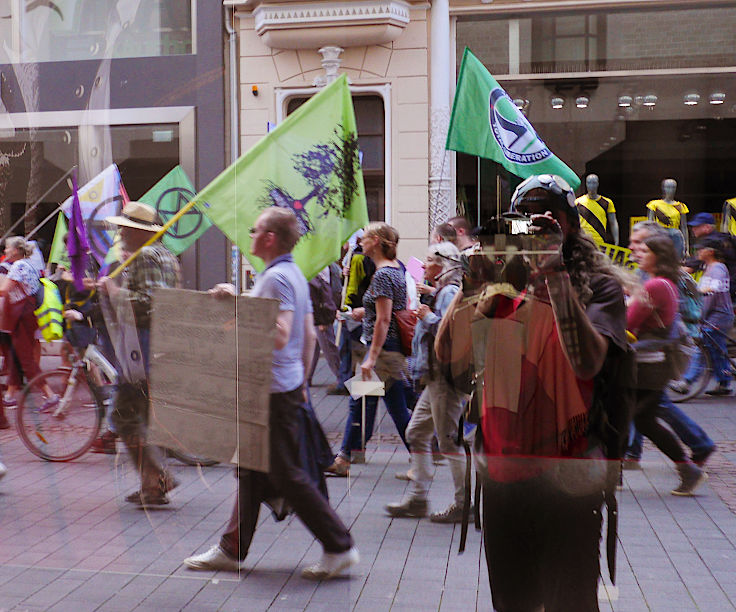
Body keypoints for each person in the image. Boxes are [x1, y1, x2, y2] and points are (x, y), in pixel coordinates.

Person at [438, 174, 631, 611]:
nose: (534, 231)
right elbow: (450, 363)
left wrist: (554, 274)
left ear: (570, 228)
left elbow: (587, 362)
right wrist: (472, 281)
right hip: (505, 477)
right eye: (524, 223)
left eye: (548, 222)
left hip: (570, 478)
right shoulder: (501, 284)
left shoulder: (596, 285)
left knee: (571, 602)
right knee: (511, 602)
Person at [184, 207, 358, 579]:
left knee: (289, 475)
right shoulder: (291, 274)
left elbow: (280, 334)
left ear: (270, 238)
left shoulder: (276, 279)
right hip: (282, 388)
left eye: (255, 229)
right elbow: (307, 335)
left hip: (272, 393)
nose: (249, 234)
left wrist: (235, 302)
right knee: (249, 471)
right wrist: (303, 385)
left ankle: (339, 546)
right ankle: (231, 549)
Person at [96, 202, 181, 506]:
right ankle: (153, 483)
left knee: (125, 417)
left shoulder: (145, 256)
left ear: (137, 231)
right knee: (137, 418)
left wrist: (114, 292)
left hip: (142, 349)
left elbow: (150, 302)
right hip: (156, 348)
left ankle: (158, 480)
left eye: (124, 227)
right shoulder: (166, 256)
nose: (119, 232)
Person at [385, 241, 467, 522]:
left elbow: (450, 330)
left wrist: (428, 317)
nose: (425, 264)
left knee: (448, 441)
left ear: (442, 264)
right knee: (417, 433)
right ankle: (418, 499)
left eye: (430, 259)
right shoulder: (444, 291)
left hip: (444, 377)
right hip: (436, 378)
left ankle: (463, 504)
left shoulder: (449, 292)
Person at [624, 222, 716, 468]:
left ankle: (698, 447)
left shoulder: (661, 277)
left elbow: (671, 317)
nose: (634, 246)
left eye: (640, 242)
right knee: (642, 408)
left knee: (650, 408)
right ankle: (633, 452)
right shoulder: (644, 272)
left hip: (658, 354)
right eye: (633, 242)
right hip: (651, 354)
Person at [327, 222, 412, 477]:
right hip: (383, 348)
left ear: (376, 241)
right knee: (363, 403)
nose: (359, 242)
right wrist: (367, 312)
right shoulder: (394, 268)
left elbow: (385, 319)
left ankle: (424, 456)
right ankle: (343, 458)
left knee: (396, 408)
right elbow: (390, 308)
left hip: (382, 351)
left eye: (364, 238)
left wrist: (371, 357)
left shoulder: (384, 273)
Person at [674, 235, 734, 396]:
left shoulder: (718, 268)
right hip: (712, 315)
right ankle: (724, 381)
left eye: (701, 249)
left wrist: (699, 296)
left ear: (711, 252)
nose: (698, 251)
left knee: (704, 344)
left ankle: (687, 381)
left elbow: (713, 290)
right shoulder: (707, 268)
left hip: (719, 315)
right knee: (715, 349)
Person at [0, 237, 44, 409]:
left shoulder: (18, 266)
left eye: (8, 248)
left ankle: (49, 394)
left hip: (21, 315)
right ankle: (11, 395)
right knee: (18, 355)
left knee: (25, 357)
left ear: (16, 250)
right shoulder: (28, 264)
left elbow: (4, 291)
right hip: (26, 313)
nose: (5, 251)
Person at [687, 212, 736, 301]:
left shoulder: (710, 242)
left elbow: (689, 268)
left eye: (697, 226)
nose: (693, 229)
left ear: (707, 227)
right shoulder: (721, 237)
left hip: (724, 290)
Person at [646, 178, 688, 255]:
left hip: (676, 236)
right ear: (663, 188)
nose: (670, 190)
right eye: (668, 187)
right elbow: (649, 225)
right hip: (660, 234)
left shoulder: (681, 206)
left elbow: (684, 227)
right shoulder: (654, 204)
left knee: (676, 261)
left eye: (673, 187)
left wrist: (686, 247)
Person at [575, 173, 619, 246]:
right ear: (586, 184)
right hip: (584, 240)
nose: (591, 186)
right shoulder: (578, 202)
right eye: (589, 183)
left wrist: (616, 239)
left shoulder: (607, 202)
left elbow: (613, 222)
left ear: (598, 184)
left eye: (594, 183)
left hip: (600, 241)